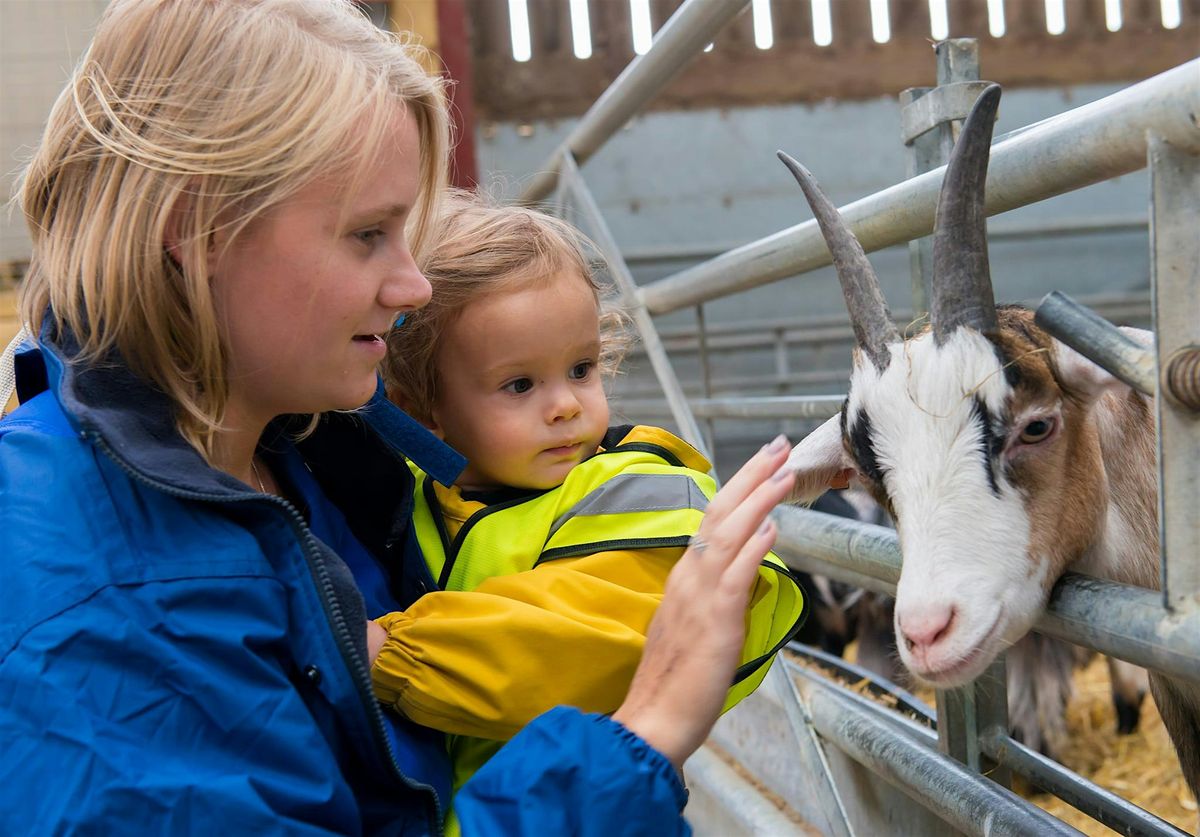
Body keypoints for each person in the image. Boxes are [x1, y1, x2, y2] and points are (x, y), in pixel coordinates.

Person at [0, 0, 797, 834]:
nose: (415, 286)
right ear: (198, 230)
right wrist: (648, 728)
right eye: (368, 234)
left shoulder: (311, 452)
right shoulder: (99, 602)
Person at [374, 193, 808, 797]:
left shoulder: (638, 489)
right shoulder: (408, 496)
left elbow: (580, 644)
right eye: (520, 384)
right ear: (424, 412)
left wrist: (383, 651)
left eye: (581, 368)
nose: (567, 405)